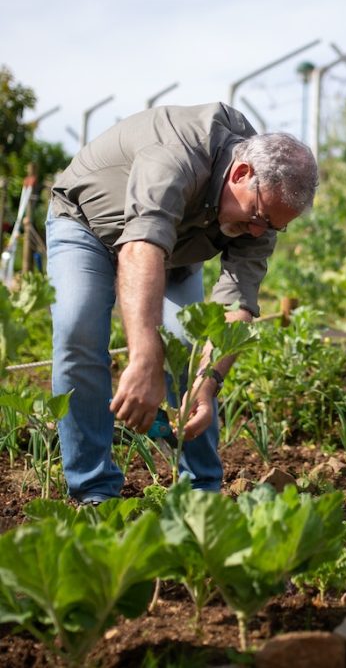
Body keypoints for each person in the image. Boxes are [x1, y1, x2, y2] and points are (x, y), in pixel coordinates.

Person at [47, 102, 318, 503]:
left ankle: (201, 494)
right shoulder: (177, 152)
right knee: (78, 329)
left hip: (175, 250)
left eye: (272, 226)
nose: (260, 231)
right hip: (88, 225)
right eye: (258, 215)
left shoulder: (262, 215)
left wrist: (206, 387)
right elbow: (141, 248)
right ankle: (94, 492)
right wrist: (144, 359)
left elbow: (236, 305)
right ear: (240, 174)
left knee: (190, 347)